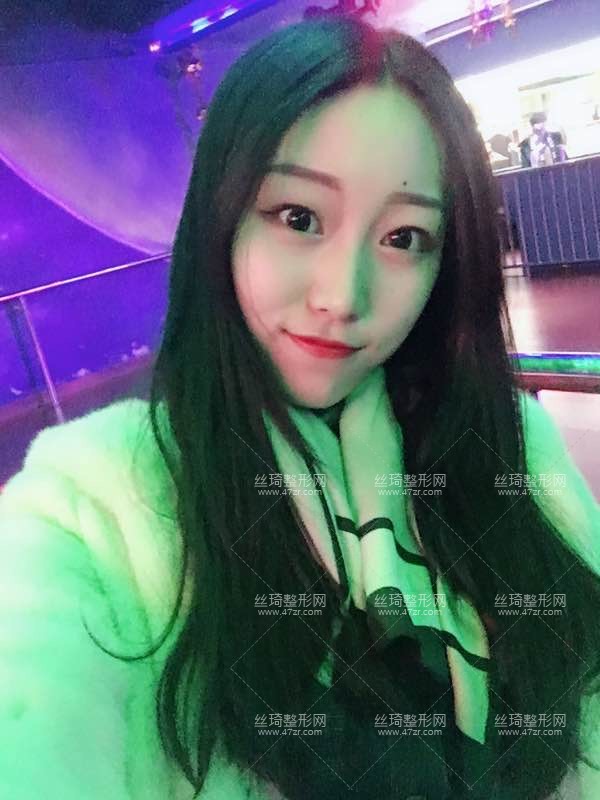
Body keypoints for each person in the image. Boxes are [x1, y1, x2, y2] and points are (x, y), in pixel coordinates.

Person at [1, 16, 600, 800]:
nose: (342, 297)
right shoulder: (91, 506)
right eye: (298, 218)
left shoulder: (508, 446)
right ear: (220, 219)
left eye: (404, 237)